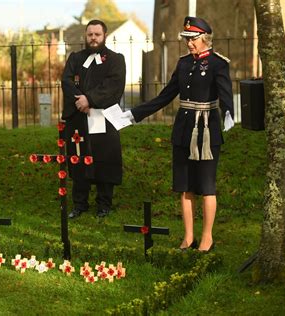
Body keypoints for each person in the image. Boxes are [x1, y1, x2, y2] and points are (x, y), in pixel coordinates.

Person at [122, 16, 234, 251]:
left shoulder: (218, 64)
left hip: (207, 131)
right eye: (186, 39)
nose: (189, 43)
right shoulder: (183, 64)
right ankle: (189, 236)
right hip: (183, 130)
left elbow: (225, 94)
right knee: (185, 186)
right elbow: (166, 95)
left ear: (204, 38)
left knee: (206, 186)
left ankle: (207, 237)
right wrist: (134, 114)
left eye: (193, 39)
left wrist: (229, 113)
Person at [61, 19, 126, 218]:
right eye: (90, 34)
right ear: (86, 35)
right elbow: (67, 80)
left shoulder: (116, 60)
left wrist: (89, 99)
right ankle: (79, 204)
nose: (93, 38)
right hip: (79, 118)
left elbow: (114, 87)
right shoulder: (75, 58)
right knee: (79, 159)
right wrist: (79, 101)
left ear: (104, 35)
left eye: (97, 34)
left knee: (104, 160)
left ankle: (104, 204)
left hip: (104, 118)